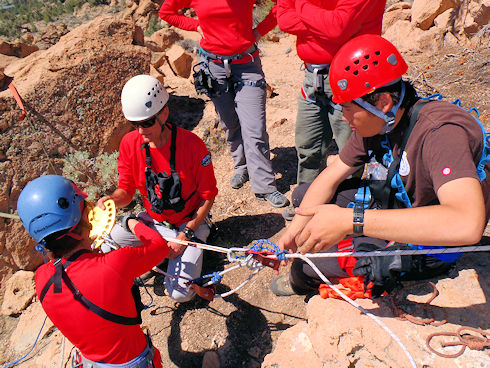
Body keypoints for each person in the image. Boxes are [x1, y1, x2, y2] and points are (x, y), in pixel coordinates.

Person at [270, 35, 490, 297]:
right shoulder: (379, 121)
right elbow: (331, 175)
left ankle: (317, 275)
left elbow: (467, 224)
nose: (344, 117)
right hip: (402, 201)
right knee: (304, 197)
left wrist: (352, 221)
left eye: (349, 108)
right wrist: (294, 231)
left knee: (304, 270)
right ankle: (349, 242)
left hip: (435, 241)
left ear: (383, 101)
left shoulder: (439, 133)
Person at [17, 175, 167, 367]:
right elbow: (159, 246)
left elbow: (78, 273)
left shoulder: (43, 279)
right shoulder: (115, 264)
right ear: (83, 217)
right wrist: (130, 221)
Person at [97, 75, 218, 302]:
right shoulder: (130, 144)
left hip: (188, 223)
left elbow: (207, 197)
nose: (141, 131)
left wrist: (185, 234)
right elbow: (126, 191)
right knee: (107, 245)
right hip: (153, 223)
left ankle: (176, 252)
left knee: (180, 294)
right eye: (136, 124)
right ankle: (159, 254)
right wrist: (112, 200)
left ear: (164, 113)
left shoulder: (193, 146)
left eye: (147, 123)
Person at [159, 0, 289, 208]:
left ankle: (265, 186)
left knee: (254, 127)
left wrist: (259, 32)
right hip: (213, 67)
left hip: (247, 64)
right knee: (229, 122)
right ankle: (242, 168)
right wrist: (196, 26)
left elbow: (283, 4)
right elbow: (167, 12)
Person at [276, 0, 387, 220]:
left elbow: (336, 27)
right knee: (308, 146)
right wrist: (322, 23)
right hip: (312, 77)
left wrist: (300, 6)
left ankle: (343, 205)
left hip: (351, 75)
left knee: (350, 152)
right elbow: (283, 19)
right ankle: (306, 203)